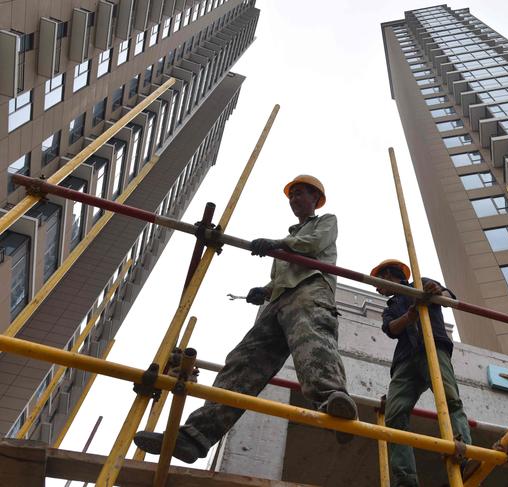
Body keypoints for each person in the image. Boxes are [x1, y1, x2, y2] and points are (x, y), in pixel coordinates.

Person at [135, 175, 357, 463]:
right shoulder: (290, 240)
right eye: (291, 196)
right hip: (278, 301)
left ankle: (333, 401)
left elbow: (313, 245)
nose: (294, 200)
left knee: (312, 340)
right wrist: (263, 291)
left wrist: (278, 244)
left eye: (300, 194)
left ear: (315, 198)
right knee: (243, 362)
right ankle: (195, 436)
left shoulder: (325, 221)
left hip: (310, 289)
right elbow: (281, 276)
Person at [371, 259, 471, 487]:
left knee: (449, 399)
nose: (377, 289)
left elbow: (449, 299)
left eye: (378, 282)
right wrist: (410, 316)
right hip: (405, 360)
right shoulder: (391, 306)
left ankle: (463, 450)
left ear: (388, 275)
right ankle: (405, 479)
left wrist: (437, 291)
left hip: (432, 346)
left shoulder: (421, 283)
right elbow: (391, 329)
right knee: (394, 415)